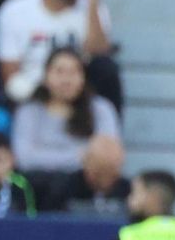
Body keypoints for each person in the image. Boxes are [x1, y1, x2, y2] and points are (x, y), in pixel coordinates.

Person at [0, 0, 119, 108]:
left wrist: (93, 5)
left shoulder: (93, 7)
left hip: (78, 94)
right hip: (33, 94)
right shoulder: (14, 10)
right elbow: (10, 73)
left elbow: (99, 54)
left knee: (106, 69)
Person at [12, 48, 122, 187]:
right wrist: (81, 156)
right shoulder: (28, 111)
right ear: (45, 77)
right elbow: (24, 159)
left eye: (74, 72)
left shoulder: (101, 109)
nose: (66, 80)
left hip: (86, 184)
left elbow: (108, 155)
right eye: (59, 72)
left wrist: (46, 154)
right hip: (39, 185)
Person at [46, 134, 130, 215]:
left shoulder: (128, 191)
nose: (104, 179)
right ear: (87, 165)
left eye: (111, 173)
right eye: (98, 173)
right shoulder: (65, 188)